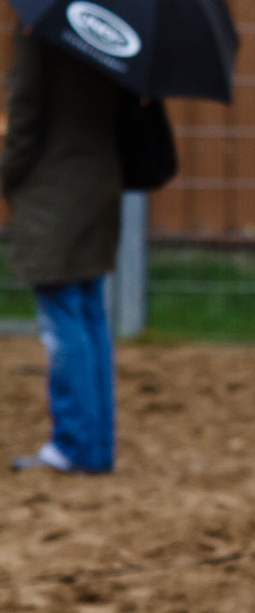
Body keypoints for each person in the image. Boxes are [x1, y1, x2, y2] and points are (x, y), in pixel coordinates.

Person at [3, 28, 122, 474]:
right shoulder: (109, 30)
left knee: (63, 318)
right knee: (89, 315)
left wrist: (7, 175)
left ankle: (72, 445)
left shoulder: (40, 32)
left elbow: (26, 118)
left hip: (53, 192)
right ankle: (96, 445)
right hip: (99, 183)